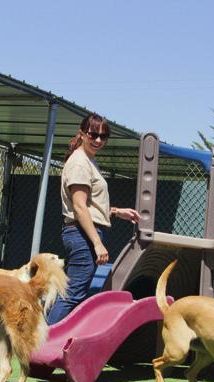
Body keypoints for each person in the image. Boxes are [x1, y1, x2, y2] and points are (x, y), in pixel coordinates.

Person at [46, 113, 141, 325]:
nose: (98, 140)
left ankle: (50, 344)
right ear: (82, 133)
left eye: (103, 136)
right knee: (73, 295)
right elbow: (79, 207)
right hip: (82, 236)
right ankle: (43, 347)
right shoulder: (80, 162)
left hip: (83, 233)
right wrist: (97, 243)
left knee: (71, 293)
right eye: (93, 134)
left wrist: (116, 212)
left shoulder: (88, 160)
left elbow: (89, 205)